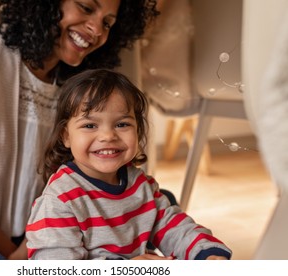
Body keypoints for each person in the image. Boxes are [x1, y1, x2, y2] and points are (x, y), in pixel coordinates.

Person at [0, 0, 159, 260]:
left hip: (53, 233)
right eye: (86, 7)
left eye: (107, 23)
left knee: (155, 199)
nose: (97, 30)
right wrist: (16, 259)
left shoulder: (85, 86)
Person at [26, 69, 232, 260]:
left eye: (122, 124)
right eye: (90, 125)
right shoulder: (59, 201)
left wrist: (205, 253)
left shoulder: (141, 184)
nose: (108, 136)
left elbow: (173, 227)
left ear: (138, 130)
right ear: (66, 136)